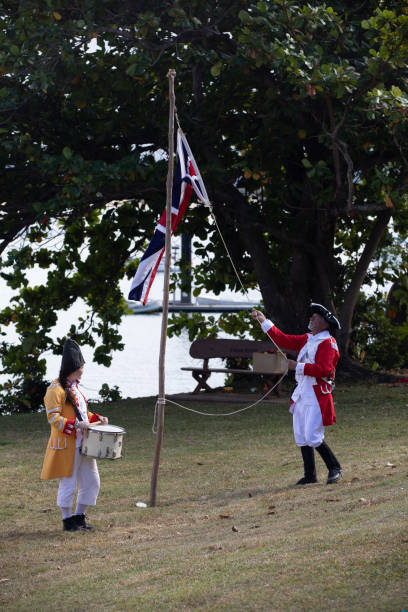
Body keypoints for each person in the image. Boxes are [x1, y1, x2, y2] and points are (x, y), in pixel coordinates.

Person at [252, 303, 343, 485]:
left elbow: (325, 370)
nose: (311, 318)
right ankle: (310, 476)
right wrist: (264, 321)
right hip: (302, 392)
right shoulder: (307, 338)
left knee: (312, 436)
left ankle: (335, 467)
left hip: (317, 394)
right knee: (301, 435)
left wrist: (297, 366)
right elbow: (283, 340)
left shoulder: (328, 343)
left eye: (315, 317)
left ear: (325, 323)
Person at [41, 338, 109, 531]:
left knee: (92, 481)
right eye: (80, 367)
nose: (83, 370)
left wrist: (96, 417)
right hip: (67, 444)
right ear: (74, 367)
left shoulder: (75, 388)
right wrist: (77, 425)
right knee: (68, 482)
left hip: (84, 443)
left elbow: (81, 413)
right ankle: (67, 520)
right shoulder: (55, 389)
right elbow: (53, 418)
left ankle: (79, 516)